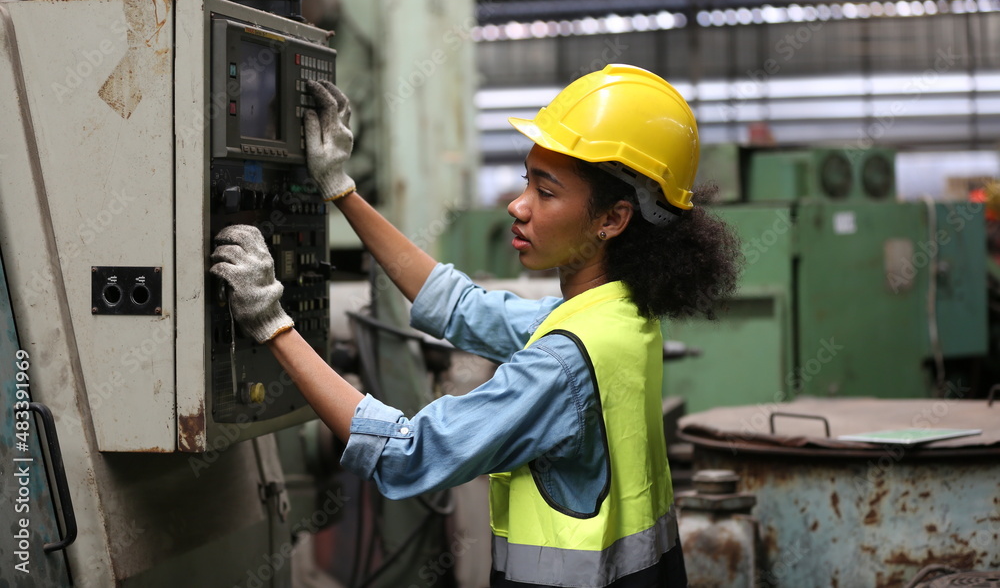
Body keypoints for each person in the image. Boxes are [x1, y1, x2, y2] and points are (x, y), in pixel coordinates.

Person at [210, 64, 742, 588]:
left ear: (612, 219)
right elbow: (461, 306)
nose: (518, 205)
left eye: (546, 192)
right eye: (525, 182)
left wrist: (270, 321)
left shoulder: (561, 361)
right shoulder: (619, 314)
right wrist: (340, 188)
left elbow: (406, 456)